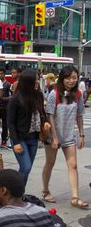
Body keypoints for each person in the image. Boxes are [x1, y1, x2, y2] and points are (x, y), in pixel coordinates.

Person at [41, 66, 88, 209]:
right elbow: (50, 116)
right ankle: (45, 190)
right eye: (68, 78)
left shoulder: (78, 94)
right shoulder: (54, 94)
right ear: (62, 78)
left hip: (69, 135)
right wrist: (54, 138)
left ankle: (75, 197)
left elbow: (79, 115)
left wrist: (81, 134)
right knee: (50, 163)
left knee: (73, 165)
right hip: (53, 135)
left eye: (74, 78)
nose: (71, 81)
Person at [7, 69, 49, 185]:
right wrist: (15, 142)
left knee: (27, 168)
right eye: (35, 79)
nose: (37, 81)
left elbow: (42, 112)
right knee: (25, 167)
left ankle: (18, 193)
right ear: (28, 81)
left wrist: (45, 121)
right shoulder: (16, 99)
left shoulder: (38, 95)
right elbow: (10, 122)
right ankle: (16, 193)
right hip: (20, 137)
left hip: (34, 137)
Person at [0, 68, 12, 148]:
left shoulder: (8, 84)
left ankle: (4, 141)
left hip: (5, 107)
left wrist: (3, 98)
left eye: (1, 73)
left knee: (5, 125)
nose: (0, 75)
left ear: (4, 74)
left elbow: (11, 96)